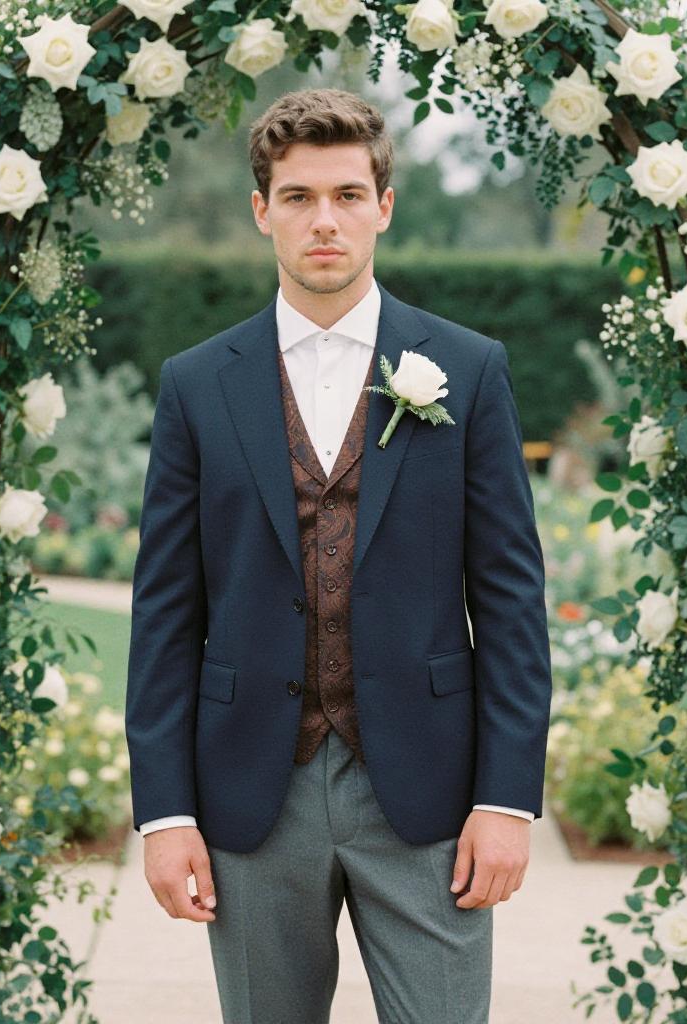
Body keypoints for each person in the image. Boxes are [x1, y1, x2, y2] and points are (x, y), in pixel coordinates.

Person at [125, 86, 553, 1024]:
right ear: (262, 211)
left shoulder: (468, 369)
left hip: (430, 791)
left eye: (348, 195)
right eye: (299, 197)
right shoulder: (196, 385)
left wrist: (508, 800)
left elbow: (511, 602)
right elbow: (164, 612)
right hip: (251, 792)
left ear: (384, 207)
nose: (325, 220)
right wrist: (165, 815)